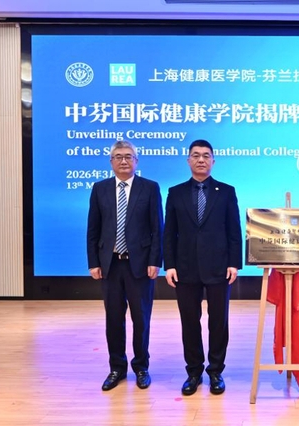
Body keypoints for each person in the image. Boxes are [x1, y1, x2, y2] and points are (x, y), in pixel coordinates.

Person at [163, 139, 242, 396]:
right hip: (185, 267)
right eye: (195, 155)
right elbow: (169, 232)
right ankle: (194, 372)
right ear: (188, 160)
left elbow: (234, 230)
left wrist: (234, 262)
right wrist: (169, 265)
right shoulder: (175, 192)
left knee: (218, 321)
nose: (200, 160)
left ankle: (216, 371)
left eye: (206, 156)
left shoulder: (226, 191)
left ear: (213, 161)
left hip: (219, 267)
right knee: (189, 321)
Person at [86, 140, 163, 391]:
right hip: (110, 265)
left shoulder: (149, 188)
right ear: (111, 161)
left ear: (136, 161)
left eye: (128, 156)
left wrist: (155, 260)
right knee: (113, 319)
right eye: (118, 156)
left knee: (141, 319)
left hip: (139, 265)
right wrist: (93, 262)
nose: (123, 161)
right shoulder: (100, 189)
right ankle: (117, 368)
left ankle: (141, 367)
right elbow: (93, 228)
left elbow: (157, 228)